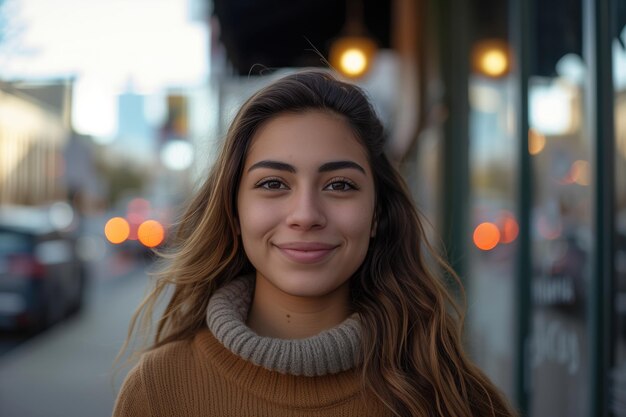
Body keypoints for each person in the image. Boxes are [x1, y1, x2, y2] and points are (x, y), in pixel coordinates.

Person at [112, 70, 517, 417]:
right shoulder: (158, 392)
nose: (305, 214)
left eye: (340, 185)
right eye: (273, 184)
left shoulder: (450, 394)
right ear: (234, 214)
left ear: (376, 214)